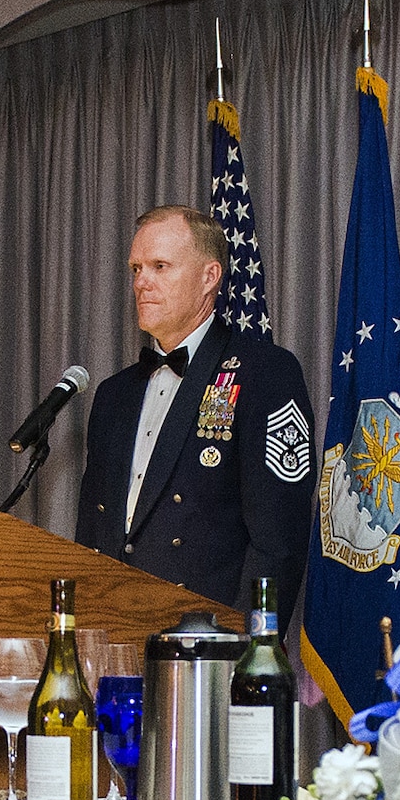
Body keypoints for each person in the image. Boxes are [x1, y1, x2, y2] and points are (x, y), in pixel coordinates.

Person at [74, 204, 315, 614]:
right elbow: (93, 532)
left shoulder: (265, 373)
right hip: (113, 635)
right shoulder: (114, 394)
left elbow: (278, 542)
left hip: (207, 646)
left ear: (209, 277)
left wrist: (246, 647)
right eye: (136, 269)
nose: (141, 282)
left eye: (159, 266)